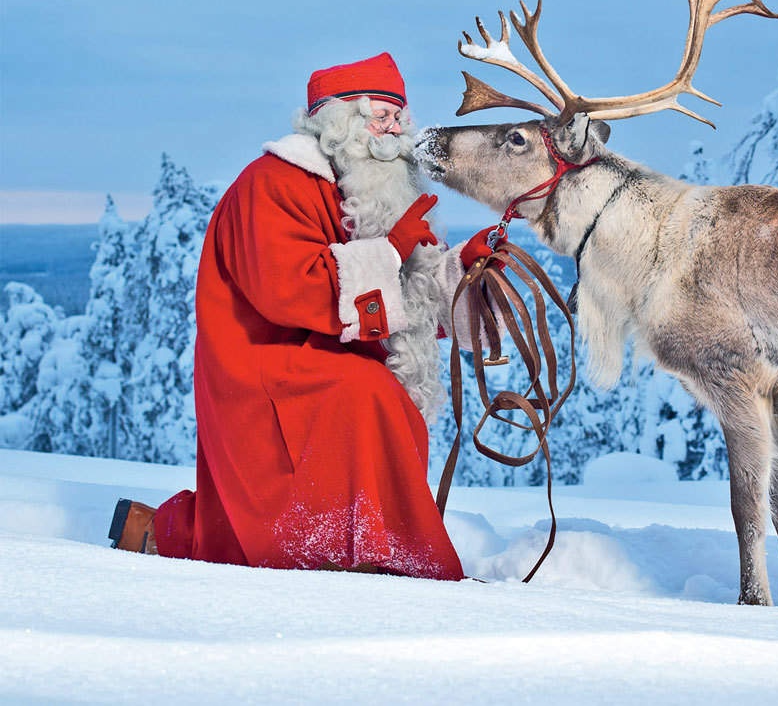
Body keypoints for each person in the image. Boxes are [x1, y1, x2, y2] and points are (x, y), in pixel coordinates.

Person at [108, 52, 492, 578]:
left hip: (316, 352)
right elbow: (287, 289)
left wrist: (462, 276)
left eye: (400, 116)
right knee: (366, 393)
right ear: (341, 121)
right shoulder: (273, 182)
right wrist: (391, 253)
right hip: (260, 362)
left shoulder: (363, 189)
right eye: (382, 116)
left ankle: (369, 548)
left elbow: (405, 300)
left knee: (379, 392)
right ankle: (366, 554)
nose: (397, 131)